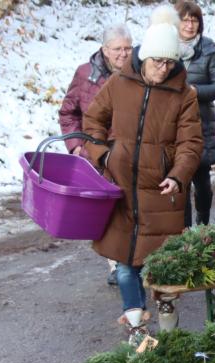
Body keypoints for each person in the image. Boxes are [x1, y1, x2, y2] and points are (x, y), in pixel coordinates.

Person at [82, 14, 204, 342]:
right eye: (157, 61)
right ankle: (137, 327)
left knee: (162, 260)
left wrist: (178, 175)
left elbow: (191, 143)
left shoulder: (184, 94)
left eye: (169, 62)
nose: (163, 69)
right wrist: (103, 155)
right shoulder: (119, 83)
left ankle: (166, 308)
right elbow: (93, 120)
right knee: (124, 260)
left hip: (161, 190)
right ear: (145, 57)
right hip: (121, 185)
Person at [59, 23, 132, 286]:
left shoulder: (138, 73)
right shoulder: (85, 74)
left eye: (128, 48)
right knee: (106, 210)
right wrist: (77, 145)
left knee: (130, 207)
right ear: (105, 50)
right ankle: (115, 264)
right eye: (117, 49)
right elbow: (68, 113)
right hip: (95, 154)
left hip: (128, 153)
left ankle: (131, 260)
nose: (123, 54)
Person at [175, 1, 215, 227]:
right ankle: (185, 232)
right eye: (185, 20)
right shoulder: (165, 48)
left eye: (194, 20)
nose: (189, 25)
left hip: (201, 124)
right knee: (181, 183)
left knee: (203, 183)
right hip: (173, 127)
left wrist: (195, 91)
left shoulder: (208, 49)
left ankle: (203, 223)